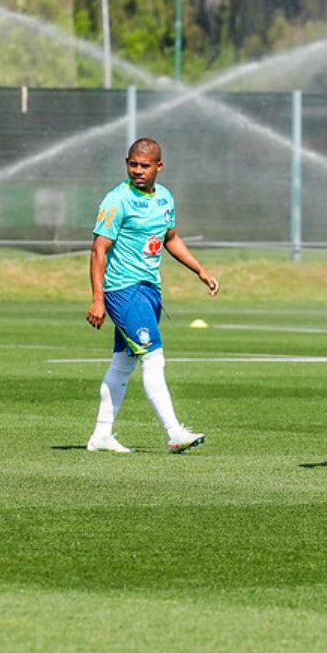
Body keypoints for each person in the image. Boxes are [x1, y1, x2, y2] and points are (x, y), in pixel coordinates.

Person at [85, 137, 218, 453]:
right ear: (126, 163)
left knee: (122, 363)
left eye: (145, 166)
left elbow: (170, 238)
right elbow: (98, 250)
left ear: (159, 166)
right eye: (133, 164)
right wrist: (98, 298)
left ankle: (101, 435)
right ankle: (174, 432)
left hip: (149, 290)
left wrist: (200, 270)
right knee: (153, 357)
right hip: (122, 290)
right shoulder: (117, 201)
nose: (138, 171)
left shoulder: (165, 198)